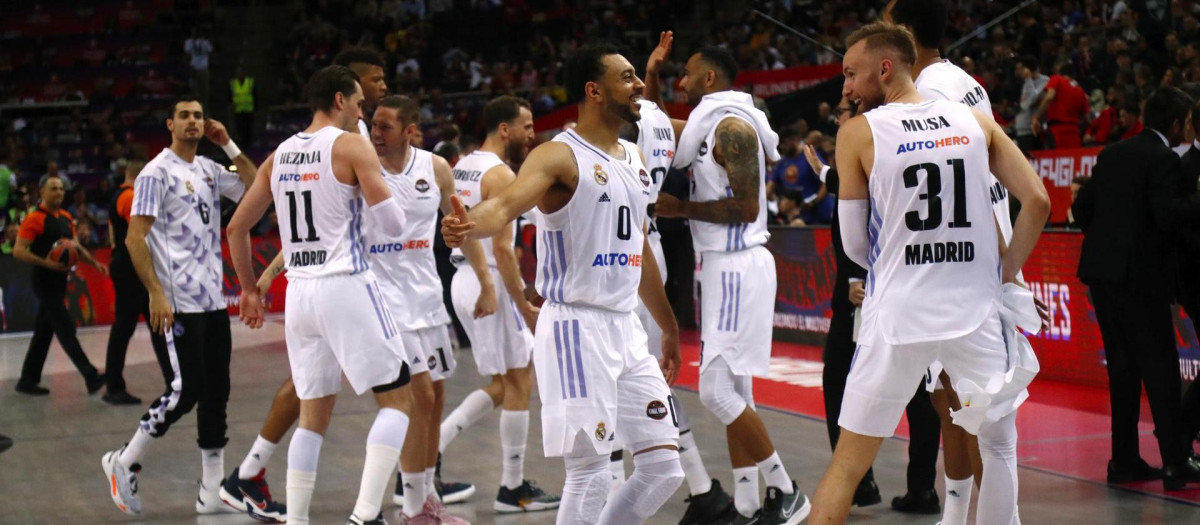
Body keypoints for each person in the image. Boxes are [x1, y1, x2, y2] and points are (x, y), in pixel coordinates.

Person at [808, 21, 1051, 525]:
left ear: (885, 67)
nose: (846, 87)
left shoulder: (858, 132)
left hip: (898, 313)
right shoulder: (974, 121)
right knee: (999, 448)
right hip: (973, 312)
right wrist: (1004, 273)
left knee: (847, 465)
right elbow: (1038, 201)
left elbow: (855, 246)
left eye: (851, 73)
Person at [442, 44, 685, 525]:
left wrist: (668, 326)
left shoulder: (634, 157)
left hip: (625, 328)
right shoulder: (558, 155)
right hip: (576, 326)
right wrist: (470, 222)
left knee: (662, 468)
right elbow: (507, 205)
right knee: (591, 474)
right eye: (628, 77)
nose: (639, 85)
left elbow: (639, 251)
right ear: (594, 91)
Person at [227, 65, 417, 525]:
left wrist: (249, 290)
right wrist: (382, 189)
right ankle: (366, 516)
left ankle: (298, 521)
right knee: (399, 400)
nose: (362, 113)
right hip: (346, 283)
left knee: (313, 416)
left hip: (300, 295)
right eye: (357, 104)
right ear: (338, 100)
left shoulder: (279, 155)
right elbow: (394, 226)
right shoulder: (351, 145)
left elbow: (235, 228)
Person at [646, 33, 810, 524]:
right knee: (738, 395)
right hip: (721, 266)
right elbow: (651, 125)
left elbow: (747, 207)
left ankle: (786, 489)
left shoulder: (732, 127)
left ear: (710, 78)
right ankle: (744, 503)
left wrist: (682, 207)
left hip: (738, 264)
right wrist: (652, 72)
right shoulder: (704, 125)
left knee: (716, 392)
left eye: (688, 72)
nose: (682, 80)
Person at [99, 96, 257, 517]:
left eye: (199, 116)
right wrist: (155, 292)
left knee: (216, 392)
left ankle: (210, 490)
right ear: (170, 124)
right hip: (177, 302)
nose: (193, 121)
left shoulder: (208, 168)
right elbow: (135, 238)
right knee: (184, 390)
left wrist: (228, 145)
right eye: (184, 116)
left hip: (211, 301)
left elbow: (255, 187)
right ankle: (126, 459)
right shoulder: (155, 173)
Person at [886, 0, 1007, 520]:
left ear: (907, 35)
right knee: (951, 405)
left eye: (886, 30)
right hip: (977, 260)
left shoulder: (930, 93)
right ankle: (956, 516)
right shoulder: (961, 80)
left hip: (964, 269)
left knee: (975, 415)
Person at [361, 94, 485, 524]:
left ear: (411, 130)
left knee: (437, 397)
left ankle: (425, 493)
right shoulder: (363, 168)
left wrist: (482, 276)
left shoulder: (435, 167)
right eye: (373, 125)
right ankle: (413, 507)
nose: (376, 134)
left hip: (428, 297)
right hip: (385, 301)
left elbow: (461, 225)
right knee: (420, 398)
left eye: (386, 127)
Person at [437, 95, 562, 513]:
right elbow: (505, 250)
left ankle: (430, 448)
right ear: (504, 129)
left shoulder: (464, 165)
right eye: (526, 126)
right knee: (520, 382)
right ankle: (512, 488)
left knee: (503, 383)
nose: (532, 134)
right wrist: (521, 302)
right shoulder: (502, 174)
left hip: (464, 277)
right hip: (486, 277)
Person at [1072, 86, 1200, 491]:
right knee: (1160, 370)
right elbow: (1168, 216)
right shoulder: (1163, 159)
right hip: (1140, 280)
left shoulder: (1113, 153)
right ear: (1177, 124)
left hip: (1102, 276)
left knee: (1123, 370)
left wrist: (1110, 241)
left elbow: (1081, 209)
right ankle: (1176, 465)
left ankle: (1123, 461)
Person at [802, 97, 888, 510]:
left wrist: (861, 277)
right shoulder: (874, 152)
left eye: (841, 113)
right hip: (875, 289)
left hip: (867, 293)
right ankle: (917, 486)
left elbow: (871, 214)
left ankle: (857, 481)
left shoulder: (868, 151)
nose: (835, 119)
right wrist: (820, 169)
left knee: (842, 381)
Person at [12, 175, 108, 396]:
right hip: (43, 282)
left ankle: (27, 380)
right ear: (42, 192)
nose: (59, 192)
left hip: (59, 282)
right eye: (53, 188)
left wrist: (94, 263)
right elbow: (18, 251)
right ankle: (91, 376)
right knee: (65, 329)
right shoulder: (34, 218)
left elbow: (74, 246)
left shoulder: (66, 217)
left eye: (61, 189)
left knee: (43, 332)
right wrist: (44, 262)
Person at [101, 158, 172, 405]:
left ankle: (173, 382)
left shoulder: (118, 196)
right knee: (126, 326)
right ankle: (113, 386)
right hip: (132, 268)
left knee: (157, 324)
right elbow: (142, 233)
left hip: (128, 265)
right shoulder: (130, 197)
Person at [1032, 61, 1089, 149]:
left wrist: (1036, 117)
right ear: (1073, 76)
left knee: (1054, 160)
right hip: (1074, 134)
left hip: (1056, 131)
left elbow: (1049, 97)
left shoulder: (1057, 79)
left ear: (1060, 73)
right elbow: (1087, 119)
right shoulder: (1081, 91)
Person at [1013, 55, 1048, 152]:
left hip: (1032, 131)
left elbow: (1027, 103)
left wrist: (1028, 80)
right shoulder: (1025, 83)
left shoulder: (1046, 82)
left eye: (1019, 69)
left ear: (1027, 69)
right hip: (1021, 130)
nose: (1017, 72)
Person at [231, 67, 255, 146]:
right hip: (238, 110)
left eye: (241, 72)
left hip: (248, 110)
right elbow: (230, 96)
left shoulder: (250, 82)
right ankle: (242, 144)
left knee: (248, 129)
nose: (240, 74)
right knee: (240, 129)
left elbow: (255, 95)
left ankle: (249, 144)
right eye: (238, 72)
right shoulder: (233, 83)